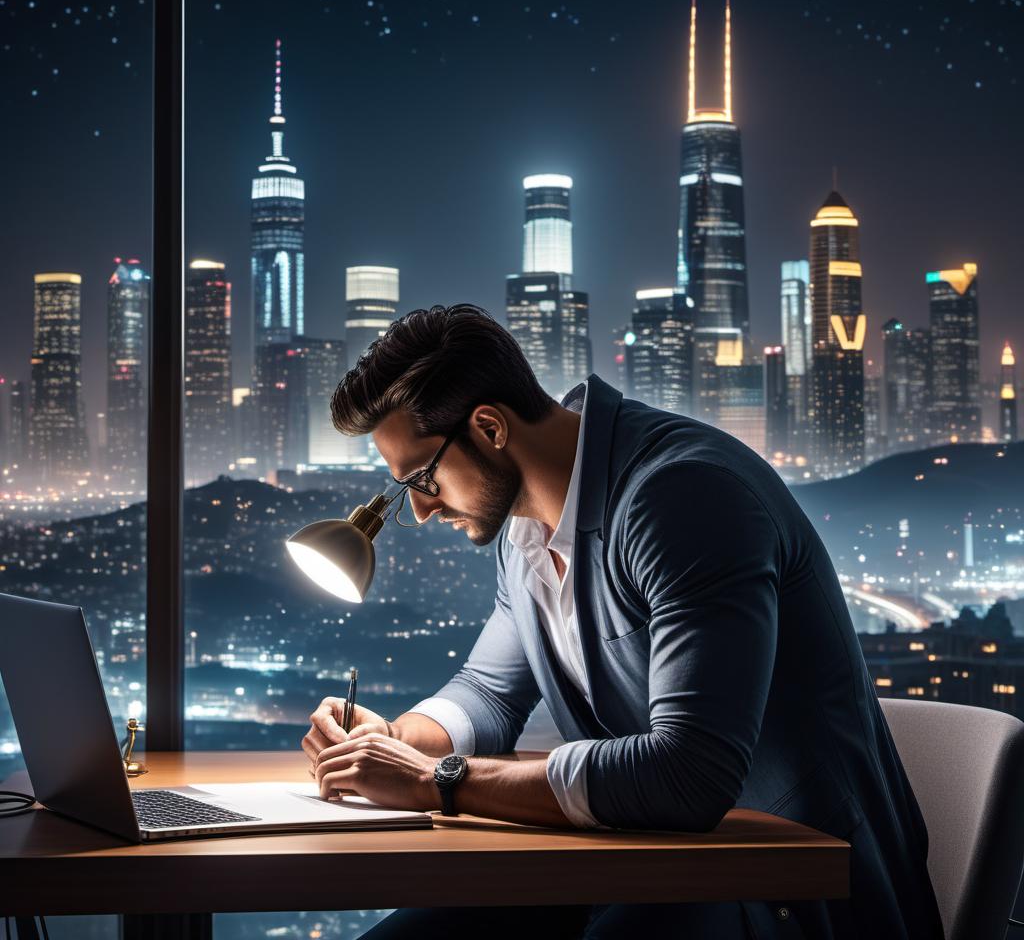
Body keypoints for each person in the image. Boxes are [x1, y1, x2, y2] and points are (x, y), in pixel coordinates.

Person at [301, 303, 943, 939]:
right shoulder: (524, 530)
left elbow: (690, 776)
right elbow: (489, 691)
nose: (419, 510)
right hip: (642, 860)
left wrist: (439, 782)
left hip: (785, 888)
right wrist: (392, 742)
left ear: (491, 429)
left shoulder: (683, 496)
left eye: (423, 477)